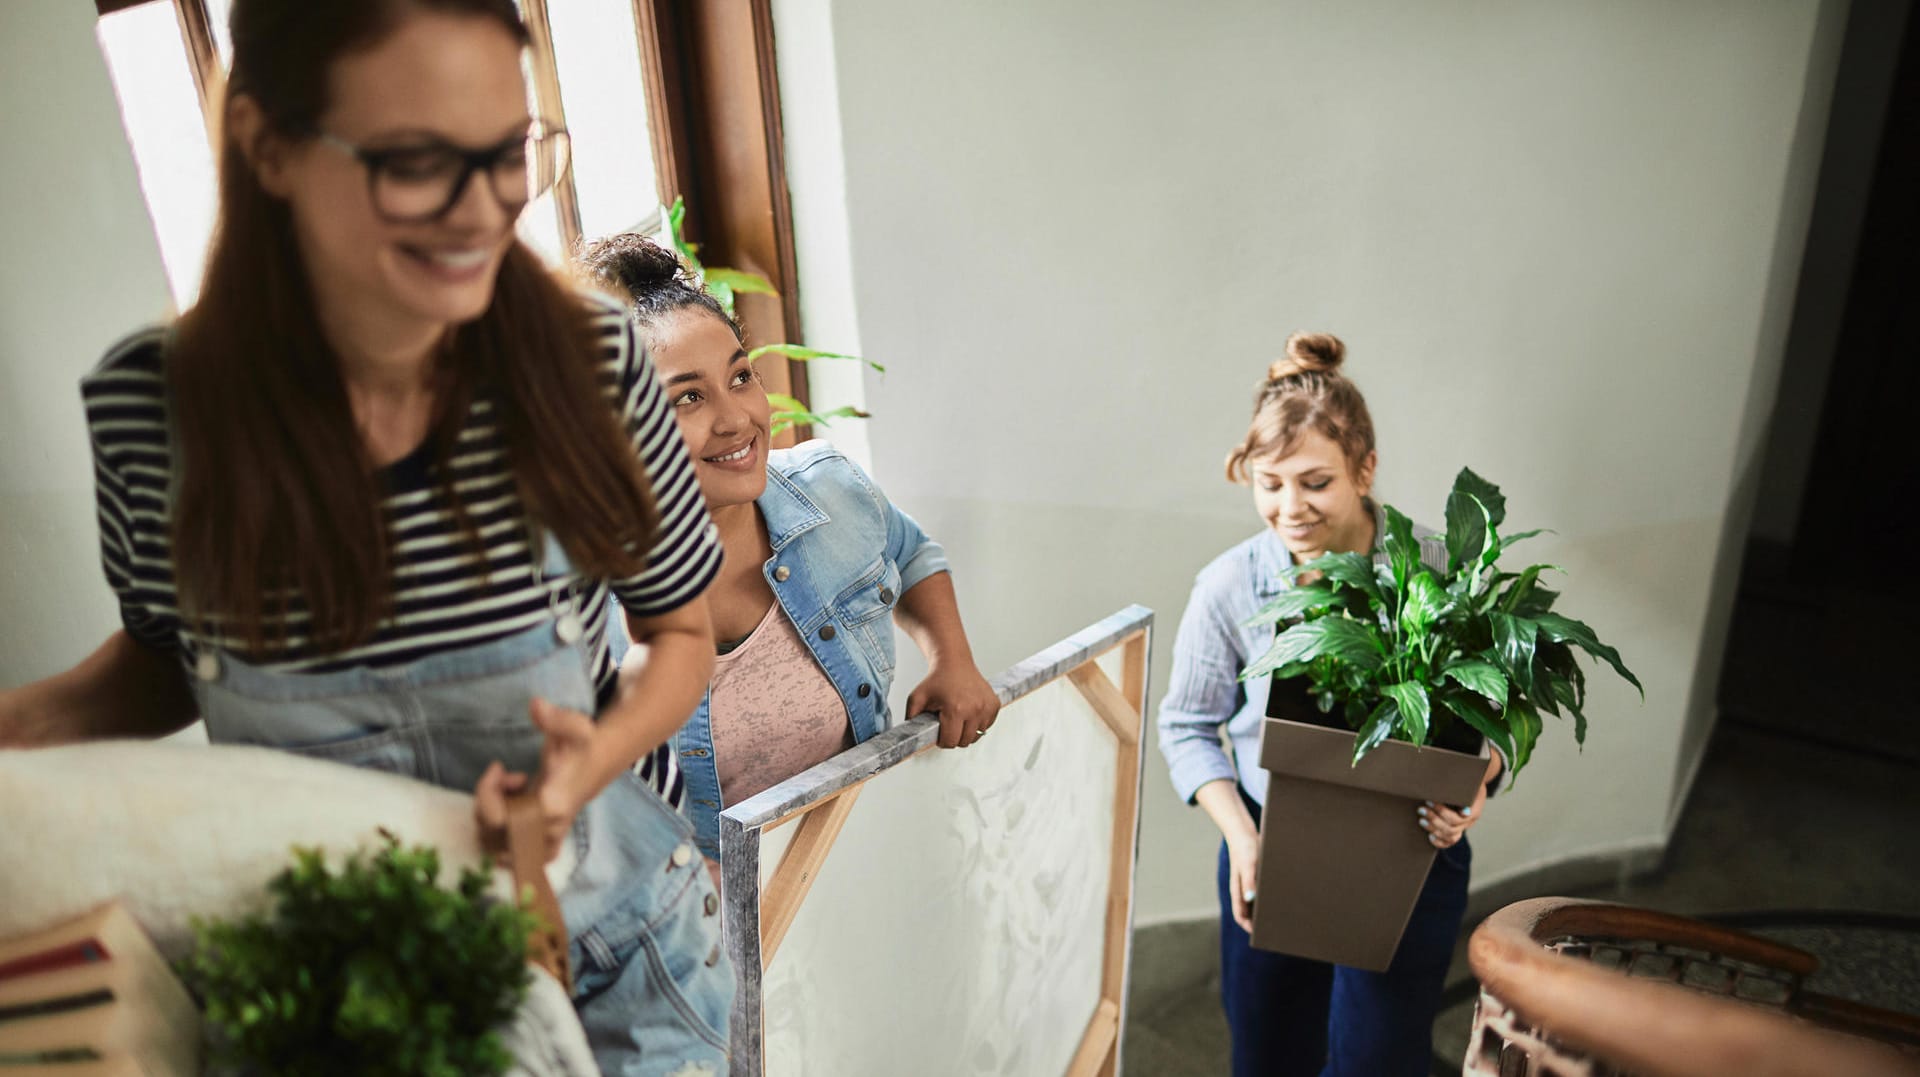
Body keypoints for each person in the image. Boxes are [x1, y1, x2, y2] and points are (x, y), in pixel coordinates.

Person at [0, 3, 731, 1072]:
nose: (483, 211)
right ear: (267, 146)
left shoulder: (589, 363)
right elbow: (169, 664)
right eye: (421, 161)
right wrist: (24, 723)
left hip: (613, 944)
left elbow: (682, 636)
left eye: (510, 152)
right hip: (347, 979)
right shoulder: (157, 413)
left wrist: (587, 766)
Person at [576, 234, 1001, 871]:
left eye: (740, 377)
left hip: (861, 865)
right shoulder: (577, 605)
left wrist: (952, 660)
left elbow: (911, 550)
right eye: (687, 397)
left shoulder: (830, 490)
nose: (737, 419)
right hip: (708, 934)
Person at [1157, 333, 1504, 1077]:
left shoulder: (1436, 566)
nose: (1290, 508)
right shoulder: (1230, 586)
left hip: (1413, 849)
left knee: (1378, 1061)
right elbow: (1185, 726)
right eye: (1269, 482)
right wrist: (1244, 843)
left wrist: (1477, 782)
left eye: (1315, 482)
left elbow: (1497, 707)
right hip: (1270, 846)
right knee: (1269, 1057)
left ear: (1365, 468)